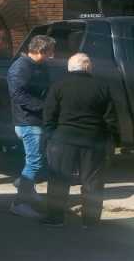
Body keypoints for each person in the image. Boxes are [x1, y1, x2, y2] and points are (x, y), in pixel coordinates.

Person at [41, 53, 119, 228]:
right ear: (88, 67)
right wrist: (113, 140)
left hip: (63, 139)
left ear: (69, 67)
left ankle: (55, 217)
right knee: (92, 182)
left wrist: (51, 135)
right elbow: (110, 118)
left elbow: (49, 114)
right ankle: (90, 221)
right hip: (93, 140)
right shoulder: (101, 87)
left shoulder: (59, 86)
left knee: (59, 180)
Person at [7, 34, 56, 218]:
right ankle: (19, 203)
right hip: (28, 121)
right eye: (50, 52)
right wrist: (45, 107)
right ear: (41, 51)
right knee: (34, 162)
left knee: (36, 160)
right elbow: (18, 95)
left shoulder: (37, 66)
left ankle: (26, 187)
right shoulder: (20, 67)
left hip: (34, 120)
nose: (52, 56)